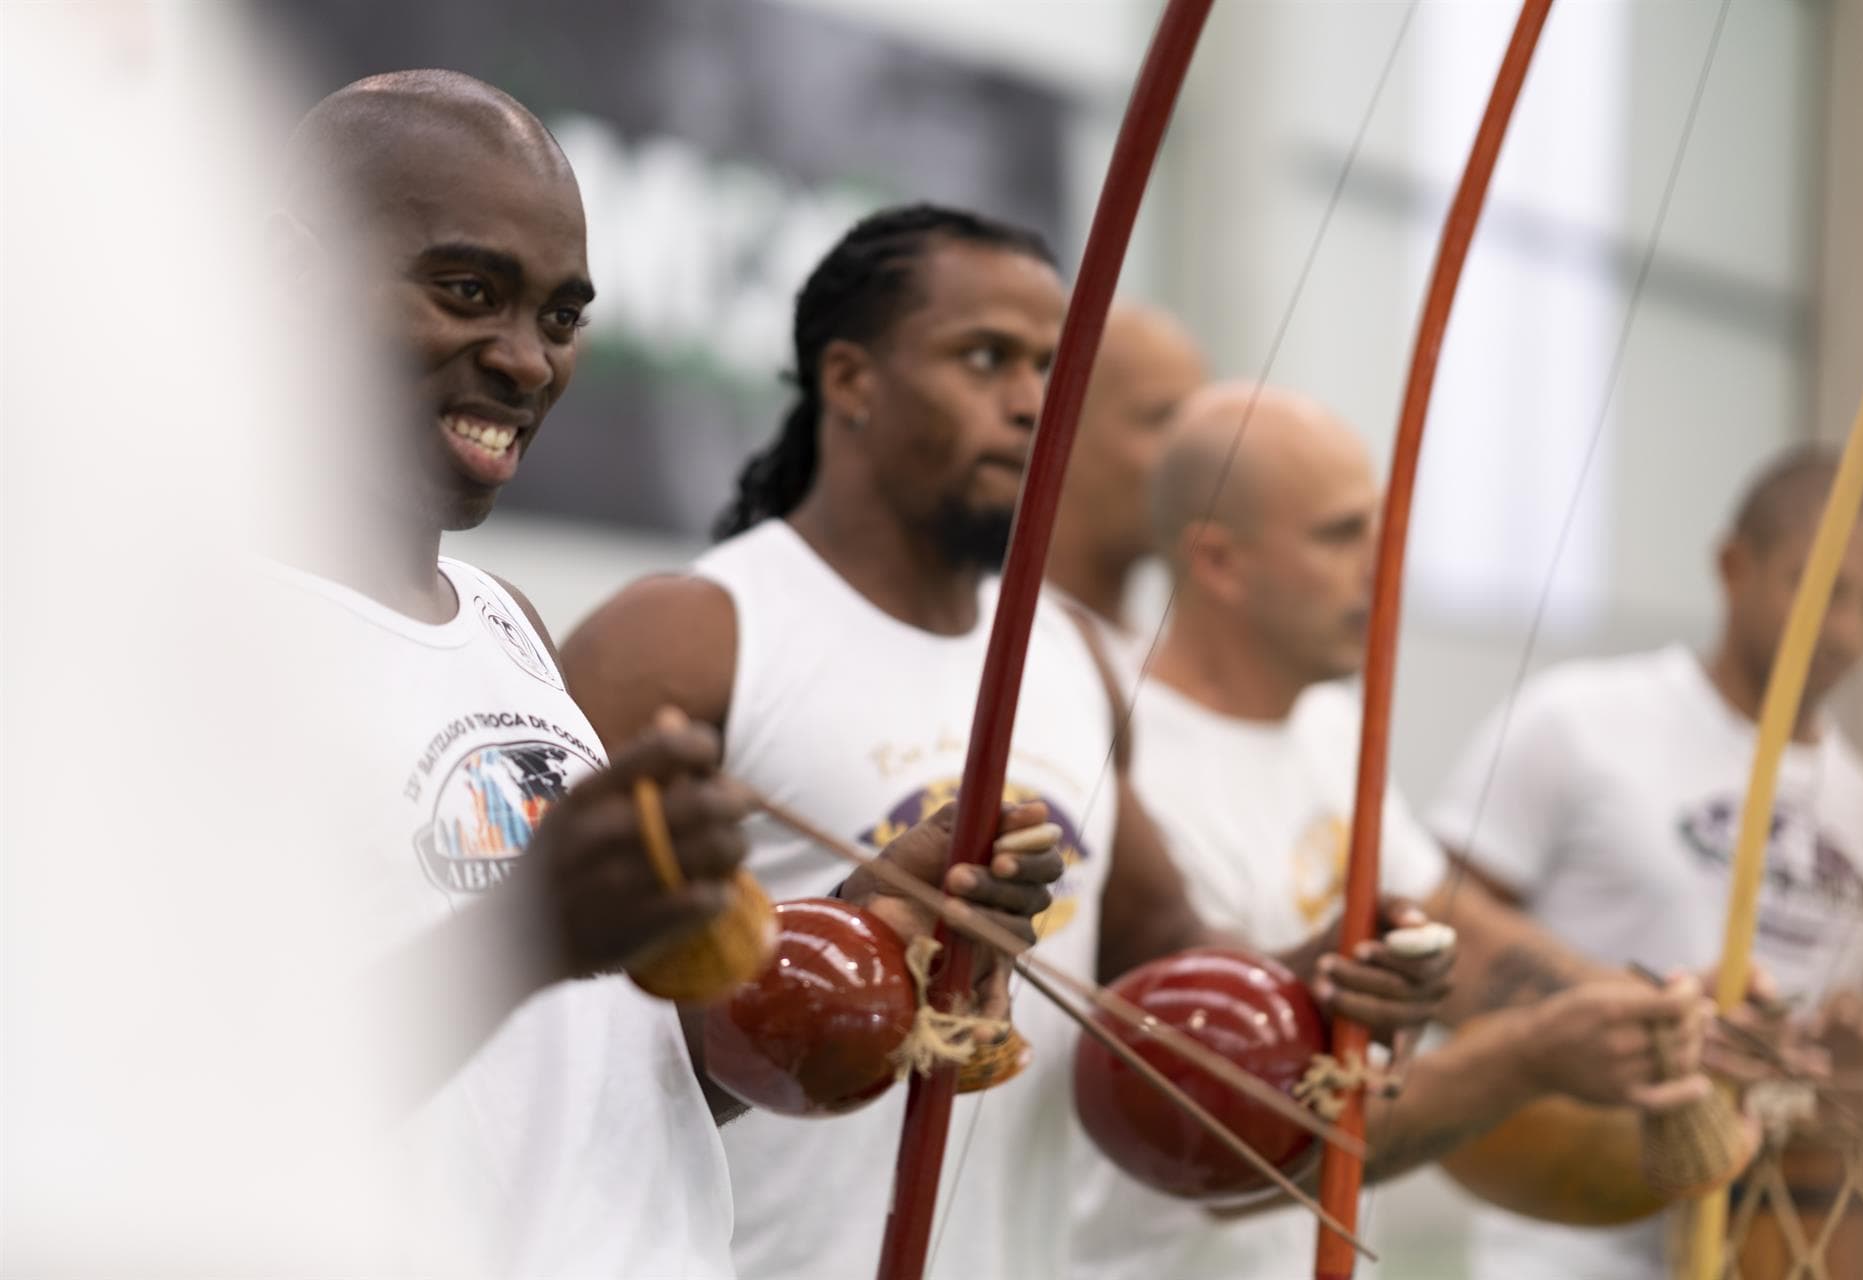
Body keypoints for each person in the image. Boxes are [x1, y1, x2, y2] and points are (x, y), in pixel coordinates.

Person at [560, 204, 1458, 1279]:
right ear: (850, 381)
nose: (1033, 401)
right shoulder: (692, 635)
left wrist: (1323, 977)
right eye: (985, 358)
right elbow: (554, 1012)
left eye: (1049, 365)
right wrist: (857, 943)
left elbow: (1157, 962)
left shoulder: (1070, 653)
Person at [265, 77, 1060, 1277]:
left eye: (564, 318)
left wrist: (855, 927)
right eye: (468, 291)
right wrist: (532, 932)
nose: (528, 362)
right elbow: (172, 1108)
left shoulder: (505, 626)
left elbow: (618, 1082)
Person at [1064, 382, 1717, 1280]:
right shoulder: (1118, 763)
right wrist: (1526, 1060)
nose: (1386, 562)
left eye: (1382, 524)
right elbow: (1234, 1141)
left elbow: (1457, 934)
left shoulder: (1327, 728)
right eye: (1342, 535)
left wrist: (1671, 1012)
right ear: (1219, 562)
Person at [1431, 443, 1863, 1279]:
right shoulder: (1579, 723)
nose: (1844, 632)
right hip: (1563, 1245)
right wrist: (1651, 1027)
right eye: (1819, 588)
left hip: (1779, 1248)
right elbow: (1432, 927)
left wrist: (1858, 1046)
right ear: (1734, 567)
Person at [1046, 298, 1211, 665]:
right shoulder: (994, 650)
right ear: (1052, 432)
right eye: (1161, 419)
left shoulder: (1159, 662)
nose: (1195, 455)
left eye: (1197, 423)